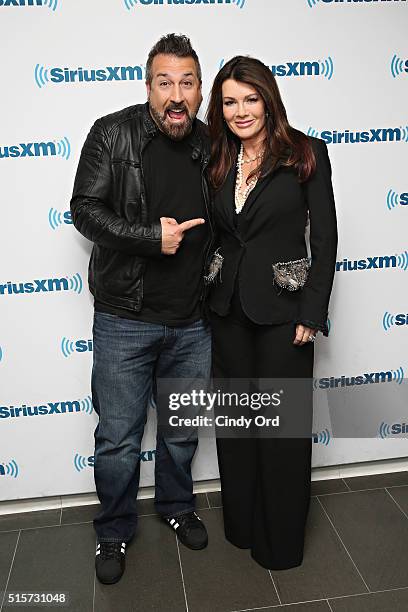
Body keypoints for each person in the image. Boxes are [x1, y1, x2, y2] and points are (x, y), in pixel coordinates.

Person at [70, 34, 213, 585]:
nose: (176, 95)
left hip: (192, 322)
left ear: (200, 89)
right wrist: (151, 238)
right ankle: (113, 530)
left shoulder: (209, 143)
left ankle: (177, 506)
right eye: (164, 82)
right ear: (148, 86)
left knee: (180, 431)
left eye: (187, 82)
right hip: (124, 319)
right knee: (119, 438)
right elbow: (84, 210)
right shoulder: (112, 134)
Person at [205, 56, 338, 570]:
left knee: (281, 433)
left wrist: (312, 311)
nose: (240, 111)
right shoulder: (217, 155)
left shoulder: (305, 153)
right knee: (238, 428)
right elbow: (221, 233)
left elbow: (324, 239)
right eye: (230, 101)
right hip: (226, 310)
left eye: (250, 98)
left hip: (285, 313)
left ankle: (279, 545)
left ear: (269, 98)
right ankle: (241, 527)